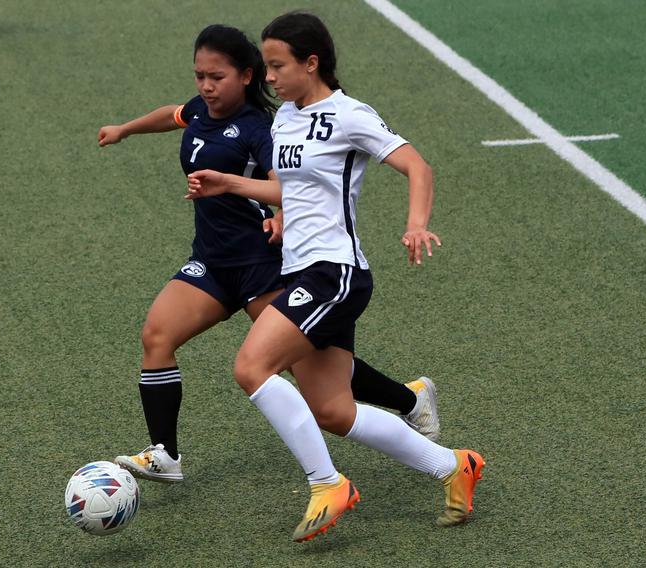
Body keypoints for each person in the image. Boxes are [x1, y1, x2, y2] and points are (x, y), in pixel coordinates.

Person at [96, 25, 441, 484]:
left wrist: (279, 212)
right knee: (158, 335)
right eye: (199, 75)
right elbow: (175, 115)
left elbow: (299, 180)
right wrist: (125, 129)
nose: (205, 86)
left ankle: (403, 408)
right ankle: (165, 453)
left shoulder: (270, 126)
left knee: (308, 370)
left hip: (268, 266)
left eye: (216, 76)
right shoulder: (231, 113)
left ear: (246, 76)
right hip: (215, 263)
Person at [186, 12, 484, 541]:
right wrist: (230, 183)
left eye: (278, 66)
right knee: (331, 409)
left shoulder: (349, 115)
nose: (270, 77)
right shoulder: (285, 119)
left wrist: (416, 224)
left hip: (334, 273)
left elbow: (418, 166)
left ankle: (327, 483)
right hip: (303, 269)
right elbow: (291, 190)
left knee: (252, 367)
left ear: (312, 62)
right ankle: (454, 466)